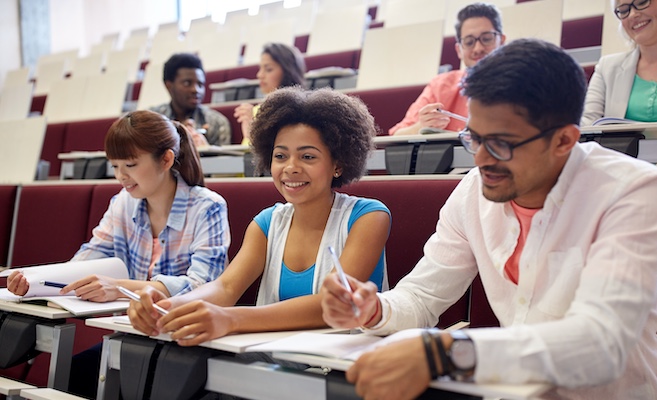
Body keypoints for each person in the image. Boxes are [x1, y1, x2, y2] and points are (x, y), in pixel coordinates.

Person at [321, 38, 657, 399]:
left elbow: (602, 342)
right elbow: (424, 295)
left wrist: (446, 353)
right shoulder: (473, 190)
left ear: (564, 140)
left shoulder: (631, 189)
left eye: (501, 143)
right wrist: (375, 308)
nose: (481, 159)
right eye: (474, 138)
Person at [127, 87, 390, 347]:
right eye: (280, 156)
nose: (290, 168)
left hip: (346, 366)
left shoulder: (369, 217)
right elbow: (226, 288)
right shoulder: (266, 222)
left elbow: (329, 304)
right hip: (273, 363)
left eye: (308, 156)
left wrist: (231, 319)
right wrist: (164, 305)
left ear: (338, 164)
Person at [7, 109, 231, 397]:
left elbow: (203, 285)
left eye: (130, 164)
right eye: (114, 166)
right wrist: (37, 280)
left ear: (166, 159)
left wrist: (120, 289)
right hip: (133, 336)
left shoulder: (208, 206)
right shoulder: (123, 203)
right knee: (70, 379)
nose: (120, 176)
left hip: (187, 343)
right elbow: (92, 254)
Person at [580, 0, 657, 167]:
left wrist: (653, 177)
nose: (633, 14)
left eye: (642, 2)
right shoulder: (607, 68)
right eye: (623, 10)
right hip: (613, 179)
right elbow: (586, 131)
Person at [388, 3, 506, 136]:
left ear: (501, 42)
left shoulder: (522, 83)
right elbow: (397, 135)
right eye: (469, 42)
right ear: (459, 50)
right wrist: (421, 126)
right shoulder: (441, 86)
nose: (478, 48)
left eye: (486, 39)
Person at [151, 53, 232, 146]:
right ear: (169, 85)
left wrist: (205, 149)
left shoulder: (217, 122)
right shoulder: (153, 121)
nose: (195, 90)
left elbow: (224, 160)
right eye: (187, 83)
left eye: (200, 84)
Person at [234, 43, 306, 145]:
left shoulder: (302, 110)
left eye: (268, 69)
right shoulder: (255, 111)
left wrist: (254, 132)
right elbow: (247, 156)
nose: (259, 75)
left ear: (287, 72)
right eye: (260, 68)